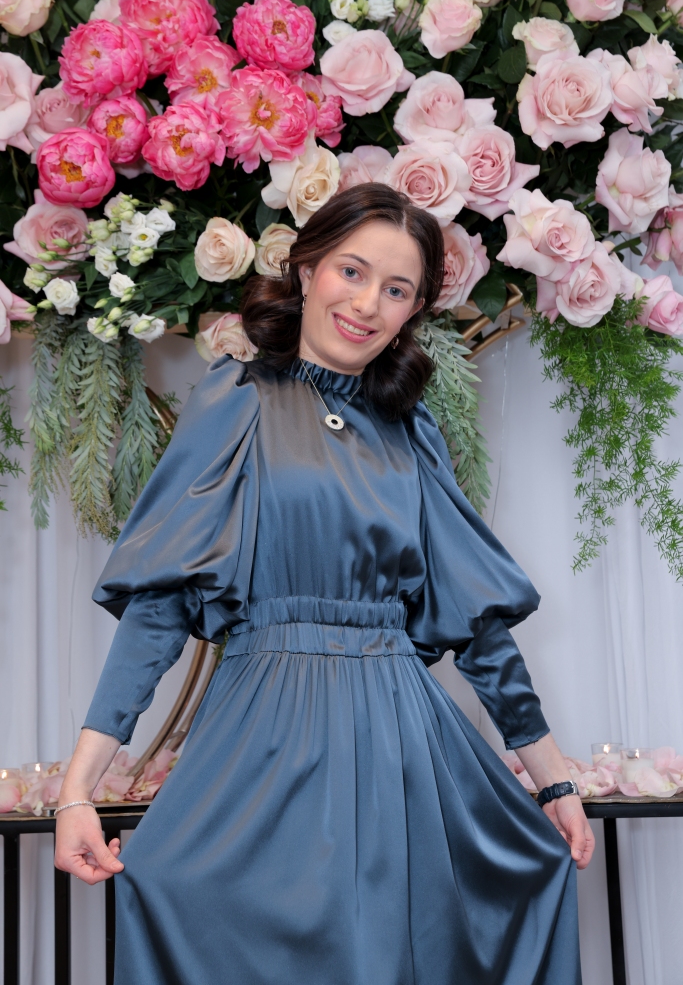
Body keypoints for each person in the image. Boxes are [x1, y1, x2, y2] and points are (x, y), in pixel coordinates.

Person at [55, 183, 594, 985]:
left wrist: (552, 781)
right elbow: (159, 610)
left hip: (402, 742)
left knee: (421, 940)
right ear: (306, 270)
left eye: (397, 289)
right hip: (262, 738)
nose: (367, 303)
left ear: (413, 312)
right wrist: (78, 790)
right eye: (352, 271)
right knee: (194, 909)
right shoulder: (235, 398)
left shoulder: (411, 431)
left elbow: (476, 626)